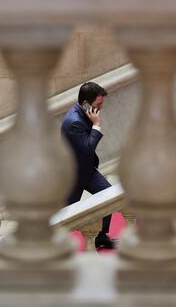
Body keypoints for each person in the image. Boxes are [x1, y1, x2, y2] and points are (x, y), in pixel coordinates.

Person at [61, 82, 114, 249]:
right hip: (73, 175)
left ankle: (101, 236)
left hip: (86, 170)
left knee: (109, 196)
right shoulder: (73, 122)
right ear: (85, 103)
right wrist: (97, 125)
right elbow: (88, 148)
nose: (101, 107)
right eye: (99, 104)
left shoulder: (84, 113)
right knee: (64, 217)